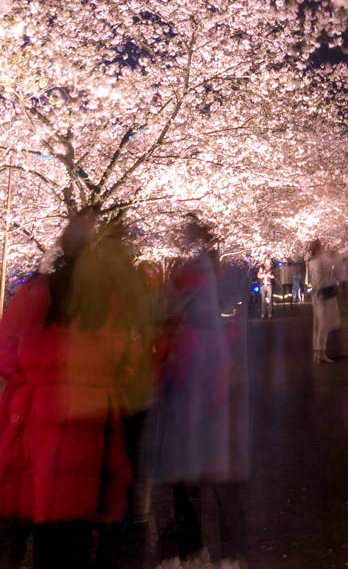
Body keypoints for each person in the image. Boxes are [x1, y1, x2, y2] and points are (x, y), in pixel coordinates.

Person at [0, 212, 150, 568]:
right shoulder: (110, 303)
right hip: (90, 426)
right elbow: (129, 363)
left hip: (32, 420)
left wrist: (31, 376)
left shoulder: (35, 292)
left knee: (16, 520)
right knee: (69, 536)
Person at [145, 215, 250, 569]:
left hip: (187, 383)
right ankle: (226, 553)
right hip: (211, 381)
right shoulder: (220, 279)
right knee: (214, 475)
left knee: (186, 474)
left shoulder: (188, 278)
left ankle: (193, 551)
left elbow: (159, 310)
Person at [306, 238, 342, 364]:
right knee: (323, 325)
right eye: (321, 246)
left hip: (318, 294)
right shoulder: (320, 261)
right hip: (323, 293)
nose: (323, 248)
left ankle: (318, 352)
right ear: (317, 248)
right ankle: (321, 352)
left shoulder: (313, 261)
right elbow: (320, 277)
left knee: (318, 324)